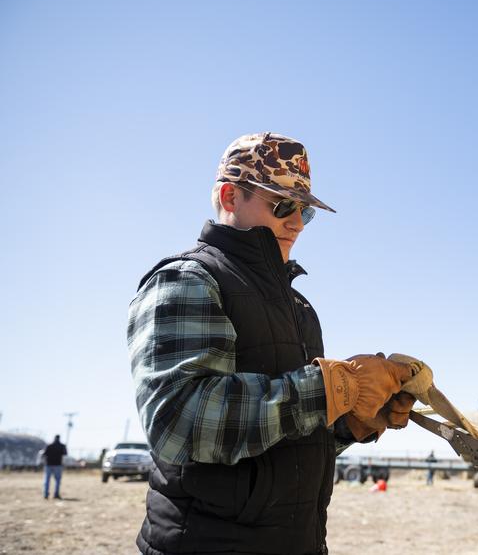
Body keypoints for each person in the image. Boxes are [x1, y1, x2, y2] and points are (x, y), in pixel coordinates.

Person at [128, 132, 419, 555]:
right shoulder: (188, 281)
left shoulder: (298, 306)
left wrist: (350, 420)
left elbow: (285, 439)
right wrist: (334, 389)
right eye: (282, 205)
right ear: (230, 197)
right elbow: (180, 424)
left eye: (305, 211)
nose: (297, 222)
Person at [42, 435, 67, 499]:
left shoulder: (49, 445)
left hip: (48, 464)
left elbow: (44, 454)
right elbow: (65, 453)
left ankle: (46, 494)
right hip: (58, 465)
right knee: (57, 480)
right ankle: (56, 494)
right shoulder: (62, 446)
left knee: (47, 480)